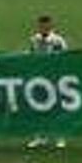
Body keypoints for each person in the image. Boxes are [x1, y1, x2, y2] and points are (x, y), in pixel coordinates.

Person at [26, 16, 69, 149]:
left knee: (56, 108)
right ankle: (40, 137)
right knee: (39, 108)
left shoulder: (58, 41)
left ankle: (60, 136)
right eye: (41, 26)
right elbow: (30, 57)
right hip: (39, 79)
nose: (44, 28)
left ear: (50, 26)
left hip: (54, 78)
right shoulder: (34, 40)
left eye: (46, 25)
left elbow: (66, 58)